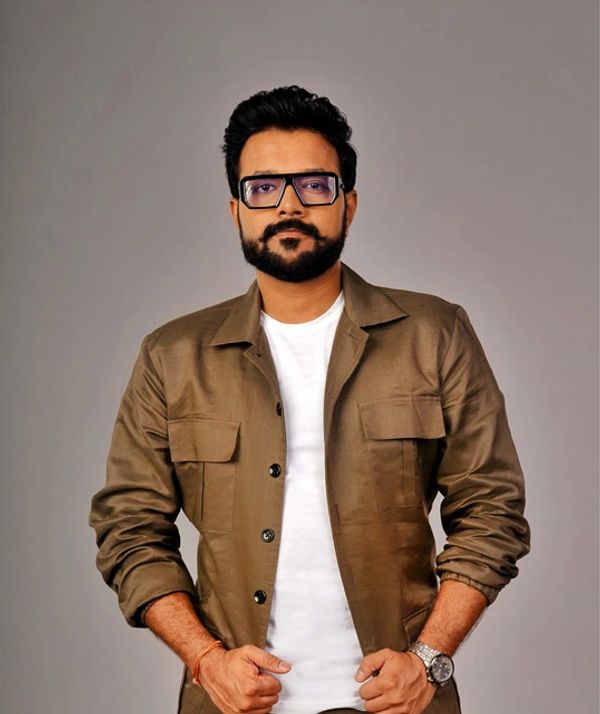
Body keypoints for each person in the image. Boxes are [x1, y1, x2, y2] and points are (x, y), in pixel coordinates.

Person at [89, 85, 531, 714]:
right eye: (264, 188)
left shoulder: (434, 335)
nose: (289, 205)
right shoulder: (173, 355)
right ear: (236, 209)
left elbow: (492, 509)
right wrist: (206, 661)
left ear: (349, 204)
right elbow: (129, 528)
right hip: (233, 704)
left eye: (314, 185)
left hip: (399, 704)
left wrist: (428, 660)